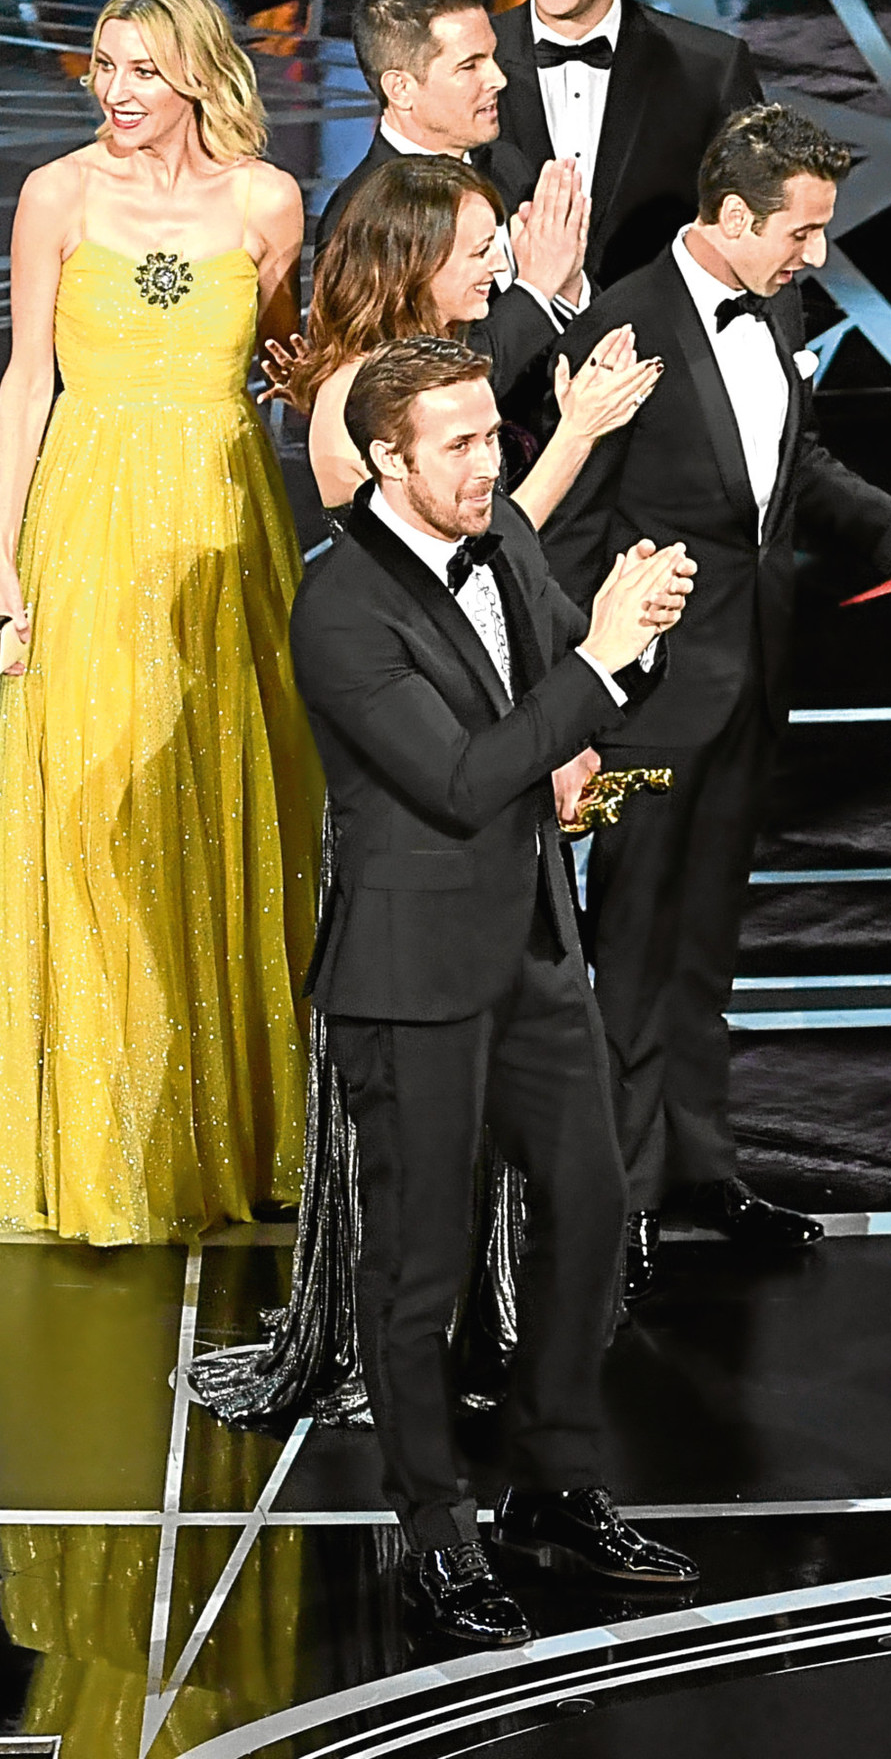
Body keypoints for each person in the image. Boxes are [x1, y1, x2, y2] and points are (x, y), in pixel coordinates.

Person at [290, 335, 704, 1648]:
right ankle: (433, 1536)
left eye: (492, 434)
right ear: (386, 461)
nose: (490, 462)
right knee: (419, 1273)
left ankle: (555, 1487)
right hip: (409, 977)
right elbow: (465, 779)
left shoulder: (505, 544)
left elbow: (556, 713)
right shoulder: (341, 610)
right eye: (459, 445)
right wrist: (598, 657)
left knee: (591, 1210)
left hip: (531, 945)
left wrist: (631, 644)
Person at [542, 105, 891, 1299]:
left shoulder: (773, 307)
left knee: (709, 948)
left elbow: (794, 470)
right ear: (730, 219)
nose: (815, 259)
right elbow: (570, 536)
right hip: (648, 705)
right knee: (629, 954)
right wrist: (580, 707)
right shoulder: (622, 329)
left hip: (752, 686)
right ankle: (616, 1202)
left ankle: (698, 1168)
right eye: (802, 233)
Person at [0, 0, 323, 1245]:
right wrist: (0, 566)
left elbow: (285, 369)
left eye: (143, 71)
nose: (116, 93)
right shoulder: (55, 195)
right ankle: (106, 1149)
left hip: (220, 532)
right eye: (104, 67)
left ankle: (244, 1133)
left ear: (203, 76)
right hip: (86, 529)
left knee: (223, 807)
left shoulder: (269, 201)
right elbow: (23, 385)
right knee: (97, 817)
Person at [286, 154, 659, 518]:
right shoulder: (356, 395)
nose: (498, 265)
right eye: (481, 252)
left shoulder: (439, 358)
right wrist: (577, 433)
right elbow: (465, 559)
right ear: (417, 266)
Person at [486, 0, 765, 293]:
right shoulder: (467, 63)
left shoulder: (710, 69)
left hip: (663, 361)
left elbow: (761, 243)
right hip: (510, 363)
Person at [326, 0, 586, 410]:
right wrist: (538, 287)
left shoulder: (507, 163)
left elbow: (559, 317)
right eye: (469, 66)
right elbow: (417, 398)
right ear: (401, 88)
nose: (498, 80)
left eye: (492, 56)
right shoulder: (360, 216)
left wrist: (569, 284)